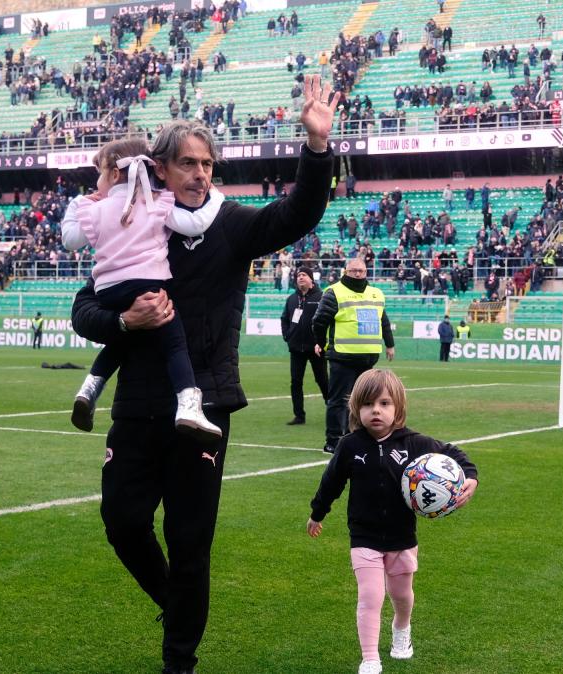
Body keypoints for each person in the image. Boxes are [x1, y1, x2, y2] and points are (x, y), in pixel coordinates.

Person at [69, 76, 338, 674]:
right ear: (159, 168)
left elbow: (300, 213)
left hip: (206, 410)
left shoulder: (235, 224)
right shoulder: (136, 224)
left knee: (191, 546)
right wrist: (127, 320)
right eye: (186, 162)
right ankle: (177, 605)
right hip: (138, 406)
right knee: (123, 523)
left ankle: (179, 661)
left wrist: (317, 148)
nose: (199, 173)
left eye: (207, 163)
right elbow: (83, 310)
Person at [306, 369, 478, 674]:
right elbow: (330, 482)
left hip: (401, 537)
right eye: (368, 404)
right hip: (364, 537)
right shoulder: (350, 445)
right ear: (356, 408)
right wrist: (317, 513)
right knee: (370, 596)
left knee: (400, 594)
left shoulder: (414, 443)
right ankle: (370, 658)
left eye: (384, 403)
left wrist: (471, 478)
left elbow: (454, 454)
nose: (376, 410)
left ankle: (402, 629)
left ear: (397, 407)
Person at [62, 137, 221, 440]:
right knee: (175, 343)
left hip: (107, 290)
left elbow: (70, 239)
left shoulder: (94, 209)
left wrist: (79, 202)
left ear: (112, 174)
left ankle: (89, 390)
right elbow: (195, 224)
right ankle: (188, 405)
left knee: (124, 340)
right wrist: (216, 197)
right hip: (147, 283)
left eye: (99, 174)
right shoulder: (157, 202)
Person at [312, 256, 396, 453]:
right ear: (346, 272)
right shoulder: (334, 292)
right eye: (354, 271)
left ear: (366, 272)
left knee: (363, 401)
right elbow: (319, 321)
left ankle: (356, 436)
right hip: (343, 356)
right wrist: (321, 342)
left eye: (361, 271)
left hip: (367, 358)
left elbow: (383, 321)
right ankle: (333, 440)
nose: (358, 274)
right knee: (338, 401)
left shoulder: (376, 294)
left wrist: (390, 345)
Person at [281, 267, 329, 425]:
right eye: (298, 275)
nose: (300, 277)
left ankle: (333, 411)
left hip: (316, 348)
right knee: (296, 382)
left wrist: (321, 342)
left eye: (304, 275)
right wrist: (287, 336)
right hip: (296, 348)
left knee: (322, 380)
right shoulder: (292, 299)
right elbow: (284, 319)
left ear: (311, 280)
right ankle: (299, 416)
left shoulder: (321, 297)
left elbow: (327, 320)